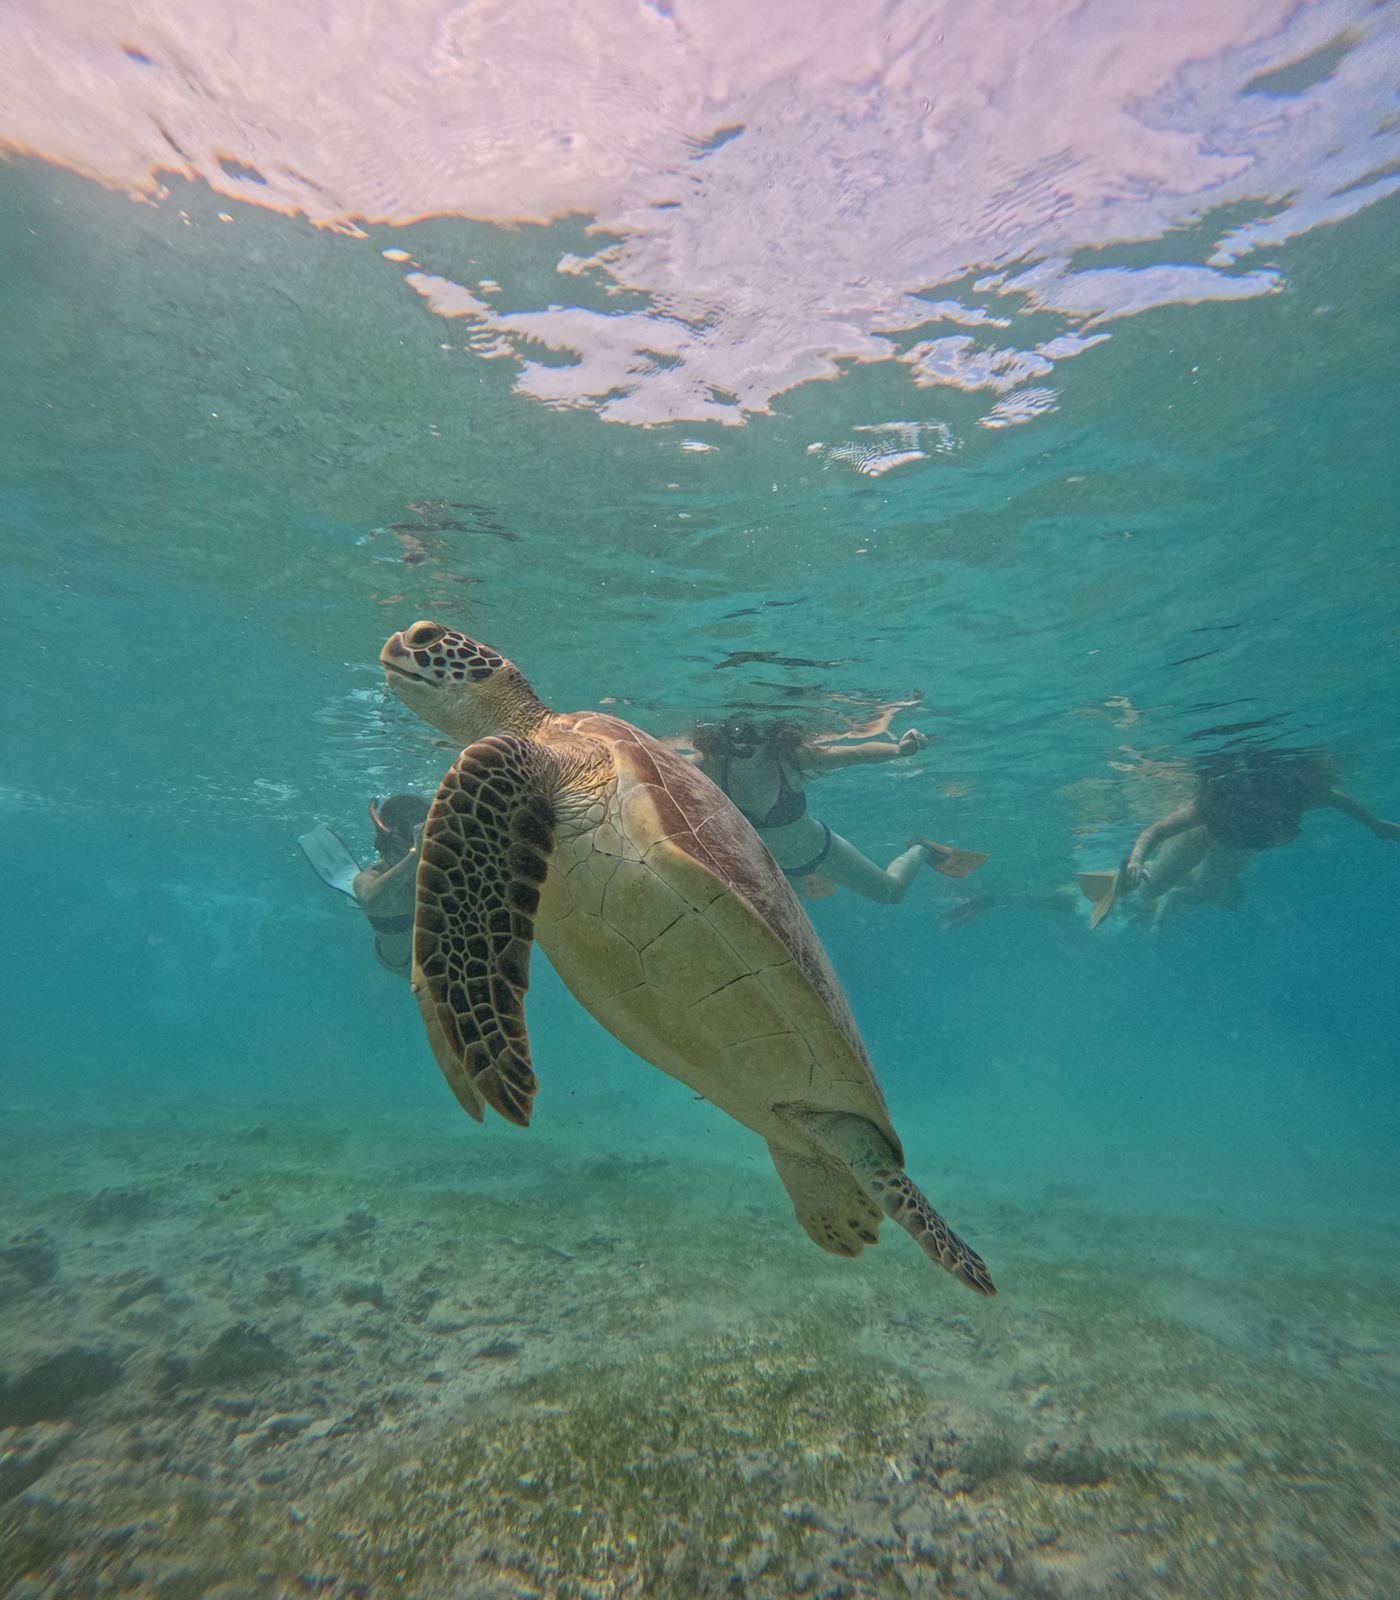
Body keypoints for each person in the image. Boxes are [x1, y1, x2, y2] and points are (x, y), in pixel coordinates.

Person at [1082, 747, 1400, 926]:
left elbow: (1335, 798)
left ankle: (1165, 885)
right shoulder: (1207, 810)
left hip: (1238, 845)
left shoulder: (1288, 800)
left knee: (1209, 888)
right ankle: (1126, 878)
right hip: (1199, 837)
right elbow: (1157, 830)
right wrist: (1137, 858)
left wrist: (1375, 824)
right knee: (1150, 891)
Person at [688, 718, 987, 903]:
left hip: (822, 850)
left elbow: (855, 754)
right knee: (781, 934)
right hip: (773, 869)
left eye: (757, 733)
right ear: (723, 736)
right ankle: (810, 885)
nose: (746, 742)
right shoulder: (710, 766)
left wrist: (899, 750)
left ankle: (921, 849)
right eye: (738, 734)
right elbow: (655, 770)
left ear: (773, 737)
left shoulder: (790, 759)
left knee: (891, 893)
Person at [351, 794, 431, 977]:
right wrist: (415, 854)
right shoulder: (369, 877)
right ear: (391, 842)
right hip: (403, 963)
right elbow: (372, 901)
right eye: (407, 848)